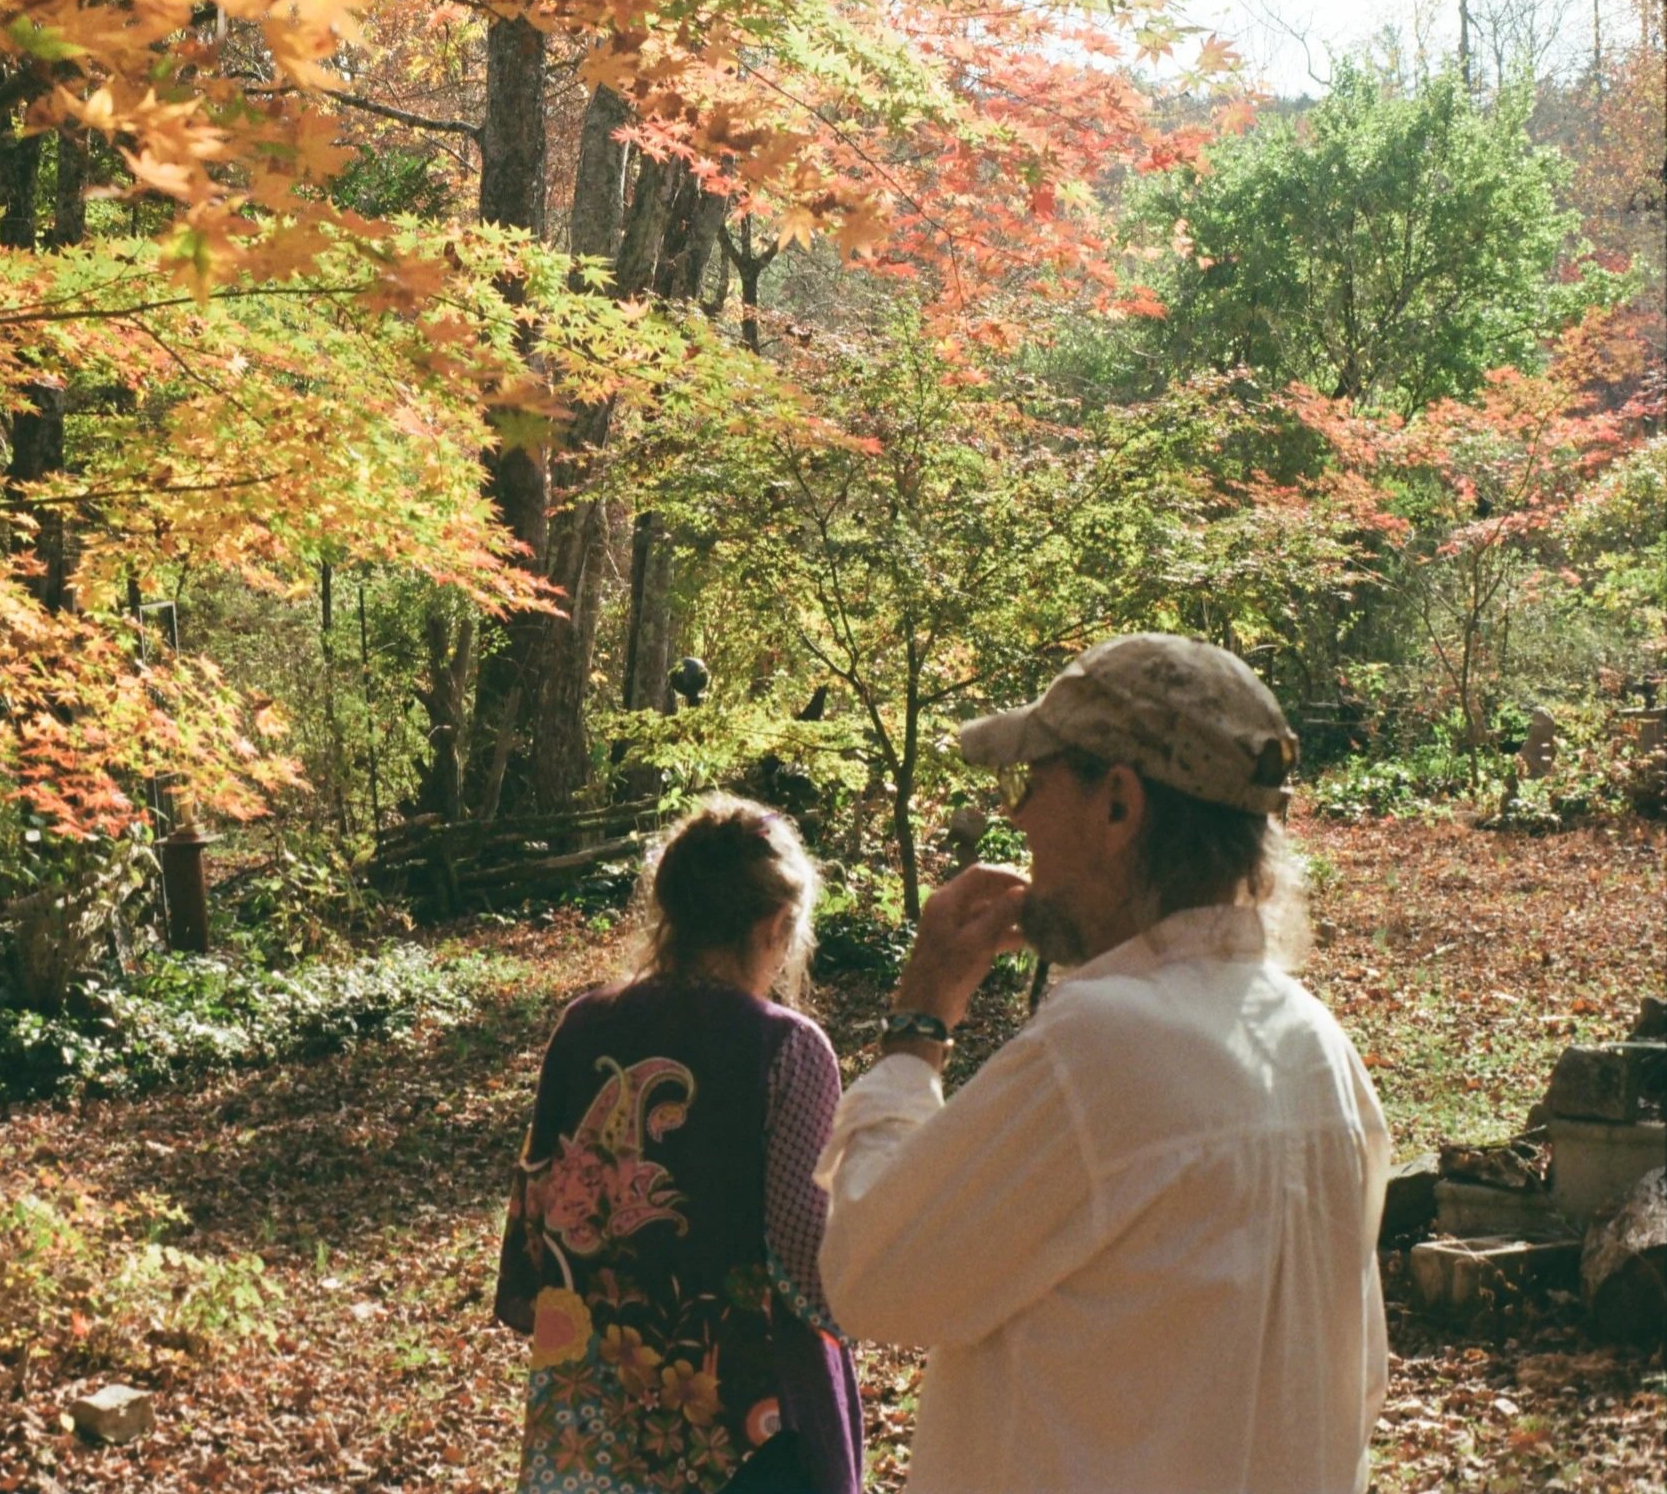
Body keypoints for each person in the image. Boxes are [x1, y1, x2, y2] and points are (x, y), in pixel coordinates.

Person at [814, 633, 1391, 1493]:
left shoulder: (1099, 1045)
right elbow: (1358, 1381)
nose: (1014, 818)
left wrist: (916, 1028)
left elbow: (870, 1278)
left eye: (1031, 783)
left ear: (1116, 805)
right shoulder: (1318, 1047)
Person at [497, 796, 862, 1494]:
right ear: (773, 924)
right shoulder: (786, 1047)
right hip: (744, 1424)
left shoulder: (582, 1027)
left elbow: (539, 1222)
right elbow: (804, 1253)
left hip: (592, 1412)